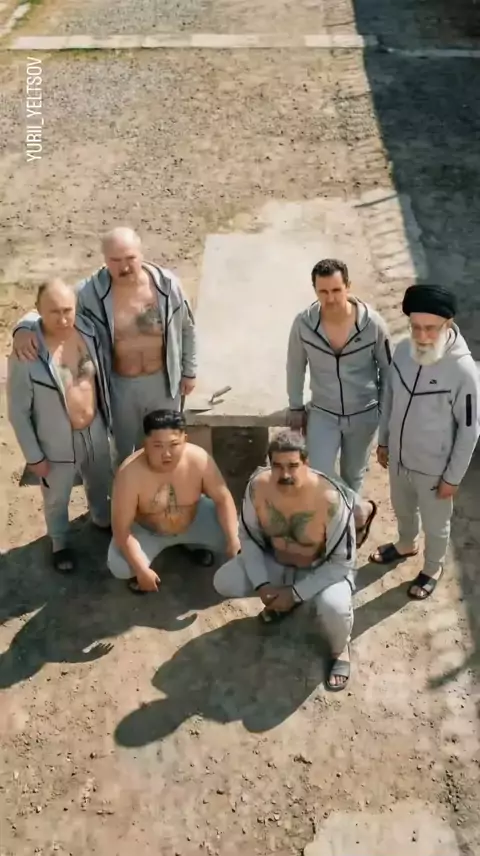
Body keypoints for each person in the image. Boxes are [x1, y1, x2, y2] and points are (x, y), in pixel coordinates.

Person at [11, 227, 197, 463]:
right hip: (120, 387)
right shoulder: (89, 292)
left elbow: (187, 327)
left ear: (141, 254)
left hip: (163, 383)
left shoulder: (168, 286)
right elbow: (52, 307)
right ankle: (126, 486)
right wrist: (23, 328)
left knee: (164, 445)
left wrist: (189, 371)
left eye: (130, 258)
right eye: (115, 260)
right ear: (105, 259)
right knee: (124, 452)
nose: (124, 267)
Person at [214, 429, 377, 691]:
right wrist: (262, 584)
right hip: (278, 562)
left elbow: (342, 562)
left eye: (292, 466)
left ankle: (339, 649)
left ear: (306, 463)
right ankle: (282, 602)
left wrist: (296, 593)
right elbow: (248, 536)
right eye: (277, 466)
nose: (285, 474)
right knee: (225, 580)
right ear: (269, 464)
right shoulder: (258, 487)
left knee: (334, 608)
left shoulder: (331, 499)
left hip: (322, 568)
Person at [370, 284, 480, 599]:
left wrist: (452, 477)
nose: (422, 336)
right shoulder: (403, 351)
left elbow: (470, 430)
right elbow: (389, 397)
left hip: (435, 469)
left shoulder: (462, 371)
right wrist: (384, 441)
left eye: (430, 328)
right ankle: (406, 544)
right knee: (402, 508)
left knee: (436, 525)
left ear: (448, 324)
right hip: (399, 458)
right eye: (415, 327)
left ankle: (432, 568)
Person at [7, 279, 113, 573]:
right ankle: (60, 542)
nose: (63, 318)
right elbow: (17, 411)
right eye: (54, 312)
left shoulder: (88, 331)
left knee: (101, 480)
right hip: (56, 442)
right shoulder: (27, 353)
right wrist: (34, 457)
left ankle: (102, 519)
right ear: (38, 310)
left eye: (68, 310)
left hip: (95, 428)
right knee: (57, 496)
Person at [287, 258, 392, 493]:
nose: (330, 298)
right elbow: (295, 366)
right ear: (315, 290)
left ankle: (350, 517)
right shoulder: (303, 324)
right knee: (318, 473)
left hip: (364, 413)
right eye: (323, 292)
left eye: (336, 290)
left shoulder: (373, 325)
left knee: (353, 476)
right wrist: (295, 406)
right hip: (323, 412)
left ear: (348, 286)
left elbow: (388, 372)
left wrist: (385, 419)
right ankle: (360, 510)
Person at [108, 409, 241, 592]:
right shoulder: (129, 473)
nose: (167, 454)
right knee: (121, 566)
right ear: (145, 444)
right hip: (148, 531)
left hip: (195, 520)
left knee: (240, 537)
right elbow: (121, 528)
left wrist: (233, 540)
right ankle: (144, 570)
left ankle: (195, 544)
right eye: (158, 446)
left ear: (185, 440)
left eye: (174, 444)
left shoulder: (199, 459)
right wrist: (141, 570)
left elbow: (223, 498)